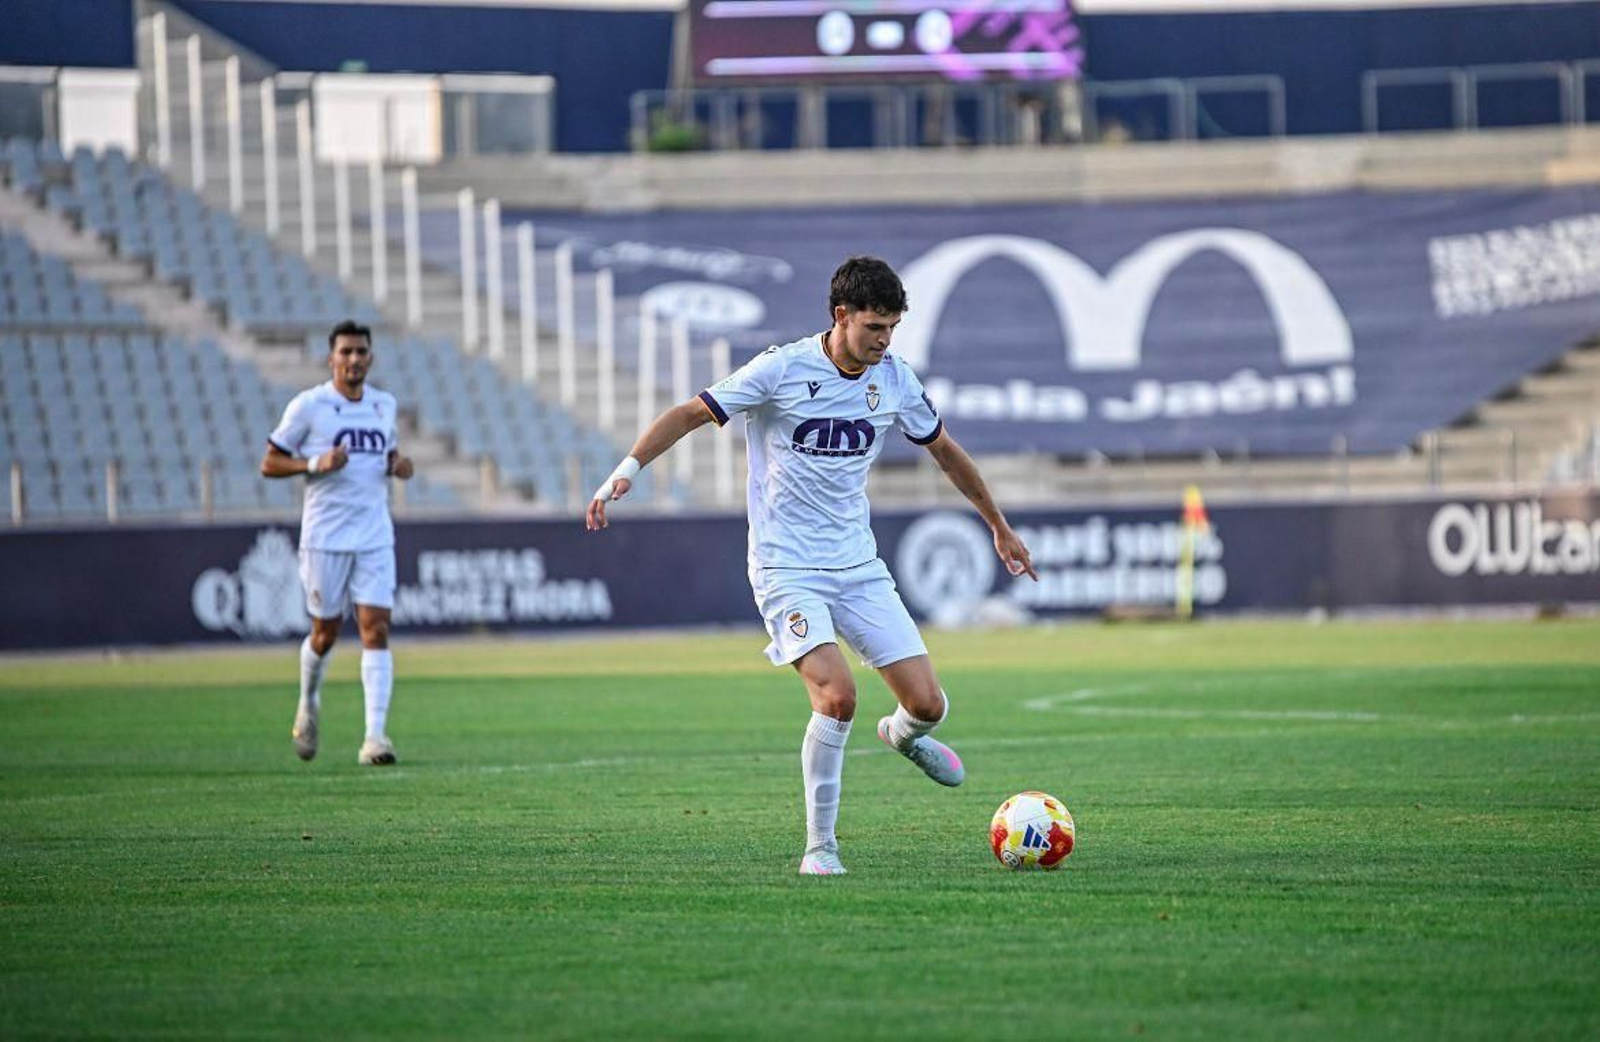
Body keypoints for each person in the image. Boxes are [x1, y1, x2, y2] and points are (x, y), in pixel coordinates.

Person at [586, 256, 1036, 875]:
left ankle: (901, 735)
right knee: (837, 695)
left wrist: (997, 524)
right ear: (841, 316)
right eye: (875, 327)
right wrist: (625, 471)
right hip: (785, 567)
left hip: (857, 564)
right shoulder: (781, 368)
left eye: (892, 329)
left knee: (930, 707)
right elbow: (690, 413)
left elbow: (944, 450)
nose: (883, 341)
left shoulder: (894, 379)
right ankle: (820, 848)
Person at [261, 319, 414, 766]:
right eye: (345, 352)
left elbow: (386, 458)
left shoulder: (384, 406)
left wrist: (398, 466)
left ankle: (375, 738)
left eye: (360, 352)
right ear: (331, 359)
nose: (353, 359)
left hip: (373, 532)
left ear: (370, 358)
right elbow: (269, 462)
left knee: (377, 628)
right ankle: (308, 701)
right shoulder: (310, 406)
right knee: (325, 633)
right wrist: (314, 462)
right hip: (325, 536)